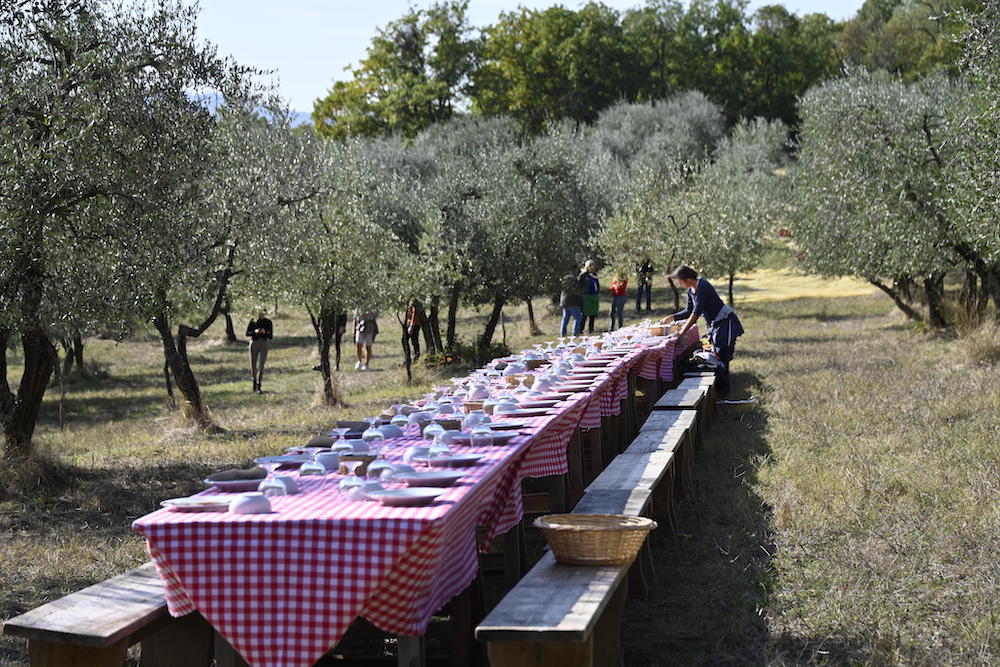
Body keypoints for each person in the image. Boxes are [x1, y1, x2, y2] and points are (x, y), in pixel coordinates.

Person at [659, 265, 743, 397]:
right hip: (715, 325)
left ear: (686, 279)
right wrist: (672, 317)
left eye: (678, 280)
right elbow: (688, 311)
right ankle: (720, 392)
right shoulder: (690, 291)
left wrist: (681, 332)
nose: (678, 283)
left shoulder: (703, 286)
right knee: (717, 355)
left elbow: (696, 313)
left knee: (722, 356)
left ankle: (725, 394)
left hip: (726, 322)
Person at [245, 310, 273, 394]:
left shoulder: (268, 322)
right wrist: (255, 332)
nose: (261, 315)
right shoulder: (253, 321)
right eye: (260, 314)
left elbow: (270, 336)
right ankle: (254, 382)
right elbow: (247, 333)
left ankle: (259, 384)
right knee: (253, 364)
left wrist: (265, 332)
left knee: (261, 365)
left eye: (263, 314)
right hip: (254, 343)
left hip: (264, 343)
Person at [559, 272, 584, 336]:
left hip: (564, 301)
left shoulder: (565, 280)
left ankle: (563, 333)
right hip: (572, 302)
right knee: (578, 317)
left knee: (565, 318)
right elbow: (577, 291)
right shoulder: (574, 280)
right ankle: (575, 332)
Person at [579, 259, 600, 334]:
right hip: (586, 296)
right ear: (587, 266)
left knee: (593, 315)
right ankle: (580, 330)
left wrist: (597, 293)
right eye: (590, 266)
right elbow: (580, 285)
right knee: (584, 314)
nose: (592, 267)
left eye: (593, 266)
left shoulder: (595, 275)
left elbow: (597, 285)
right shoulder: (583, 275)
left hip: (594, 297)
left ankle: (591, 330)